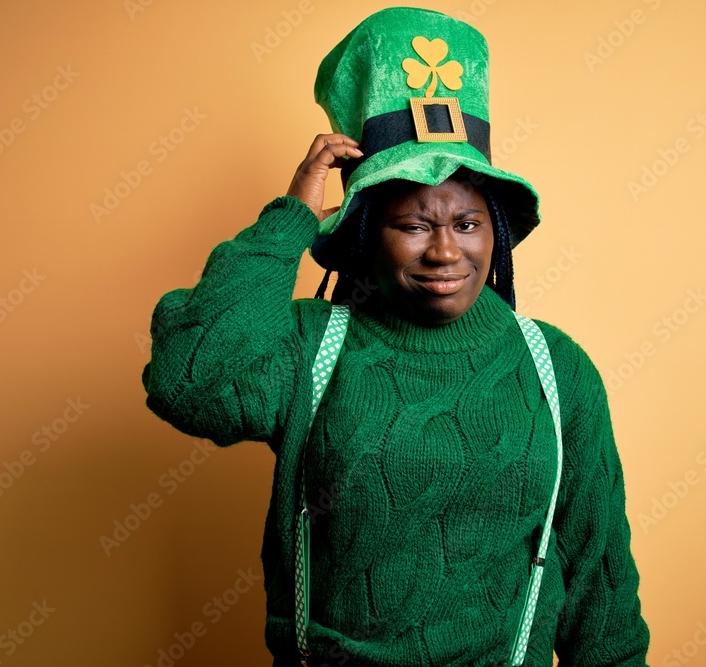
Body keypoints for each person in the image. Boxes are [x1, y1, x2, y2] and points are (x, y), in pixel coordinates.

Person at [142, 7, 650, 667]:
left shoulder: (556, 367)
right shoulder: (313, 348)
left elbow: (600, 584)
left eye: (467, 223)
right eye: (412, 225)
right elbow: (190, 381)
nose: (445, 251)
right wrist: (290, 218)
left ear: (496, 230)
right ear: (364, 235)